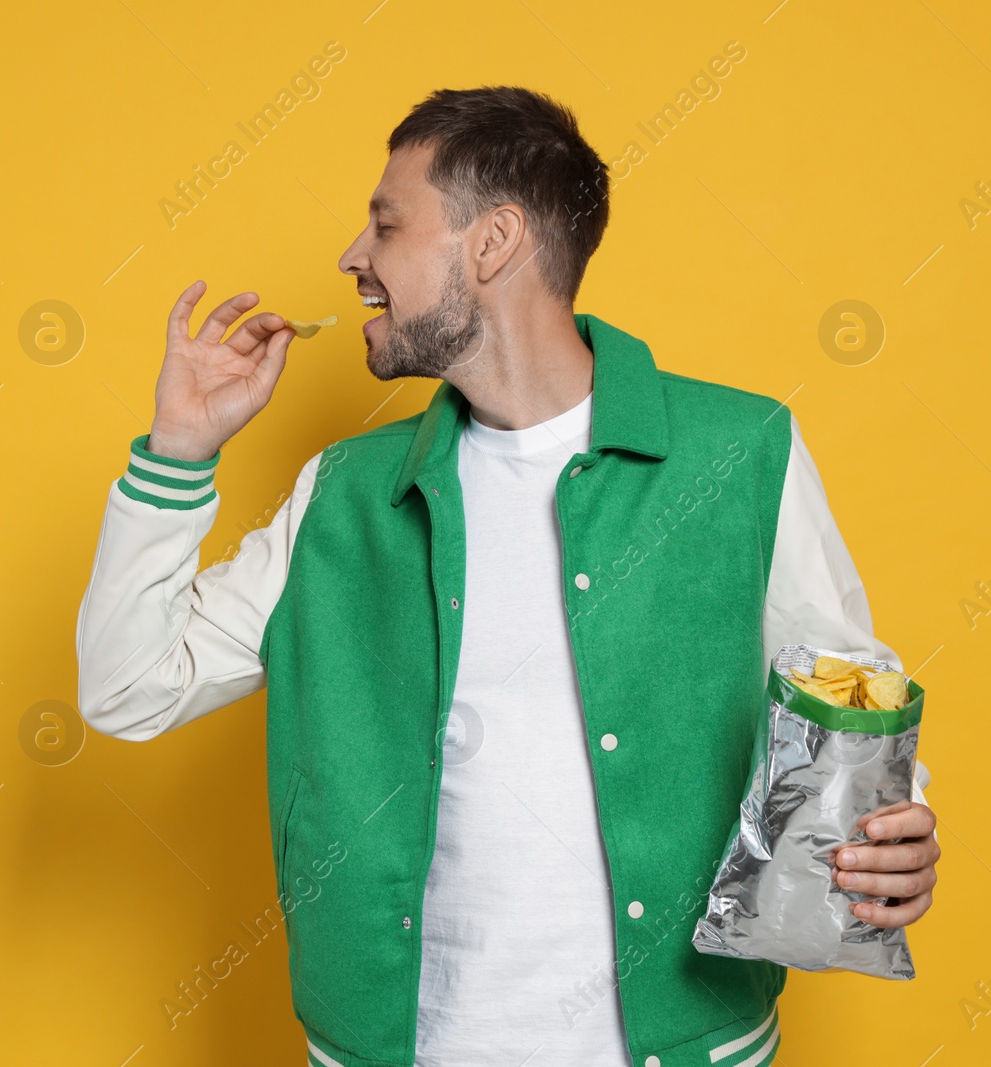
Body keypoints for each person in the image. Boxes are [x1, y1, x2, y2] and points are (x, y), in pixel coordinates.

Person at [75, 86, 940, 1067]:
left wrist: (891, 831)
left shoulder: (739, 453)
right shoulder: (344, 494)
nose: (353, 258)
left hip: (690, 1041)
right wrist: (177, 454)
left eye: (386, 225)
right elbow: (125, 689)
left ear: (492, 243)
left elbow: (846, 703)